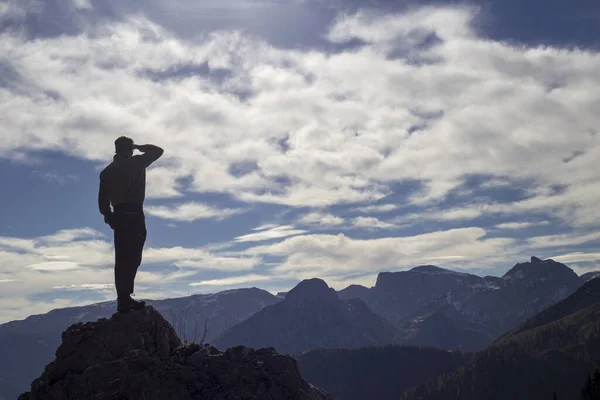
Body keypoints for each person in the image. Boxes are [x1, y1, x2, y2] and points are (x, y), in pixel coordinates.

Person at [98, 137, 164, 313]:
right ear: (130, 150)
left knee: (121, 257)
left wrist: (109, 217)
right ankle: (126, 298)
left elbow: (102, 202)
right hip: (134, 213)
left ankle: (123, 299)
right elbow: (158, 151)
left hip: (118, 215)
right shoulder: (136, 163)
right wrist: (139, 147)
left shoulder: (107, 172)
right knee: (133, 257)